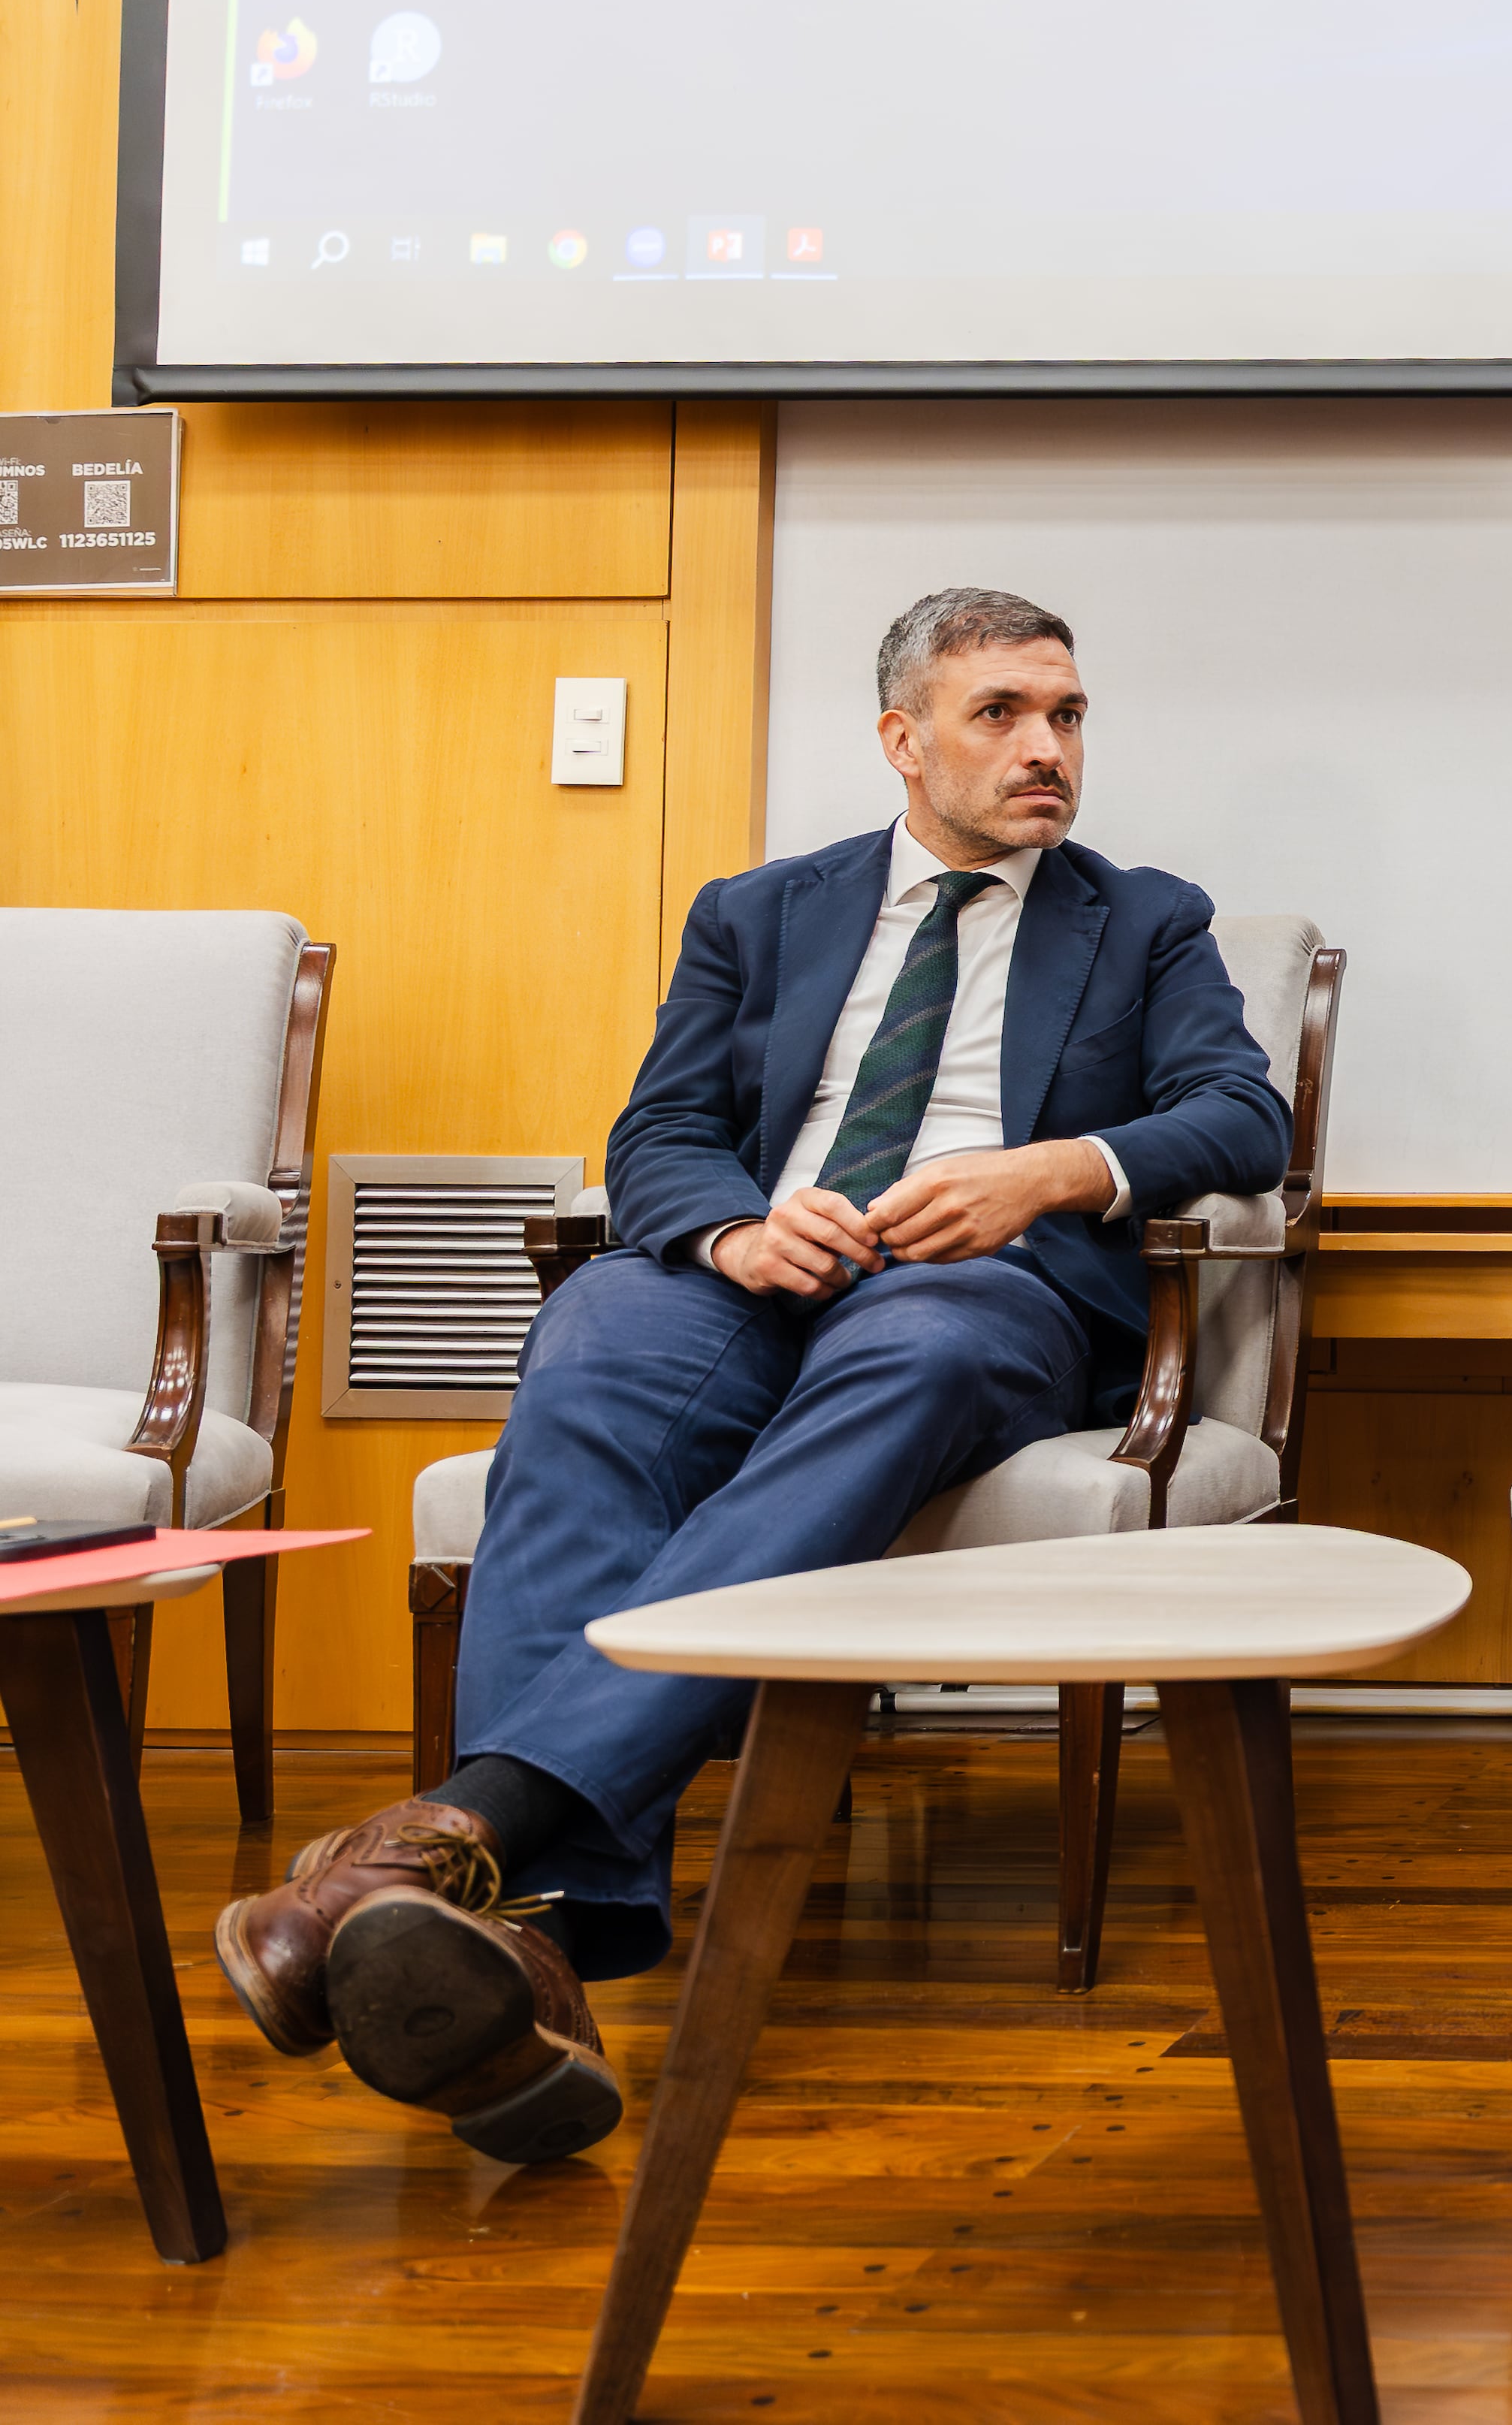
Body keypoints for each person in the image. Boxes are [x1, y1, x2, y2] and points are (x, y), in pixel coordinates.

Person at [213, 587, 1290, 2165]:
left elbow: (1238, 1115)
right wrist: (726, 1228)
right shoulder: (762, 910)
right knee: (583, 1339)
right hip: (758, 1264)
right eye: (1001, 712)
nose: (1046, 746)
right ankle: (530, 1946)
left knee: (916, 1352)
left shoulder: (1144, 918)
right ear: (901, 738)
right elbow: (658, 1134)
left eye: (1065, 714)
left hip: (972, 1287)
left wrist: (1046, 1169)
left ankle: (456, 1841)